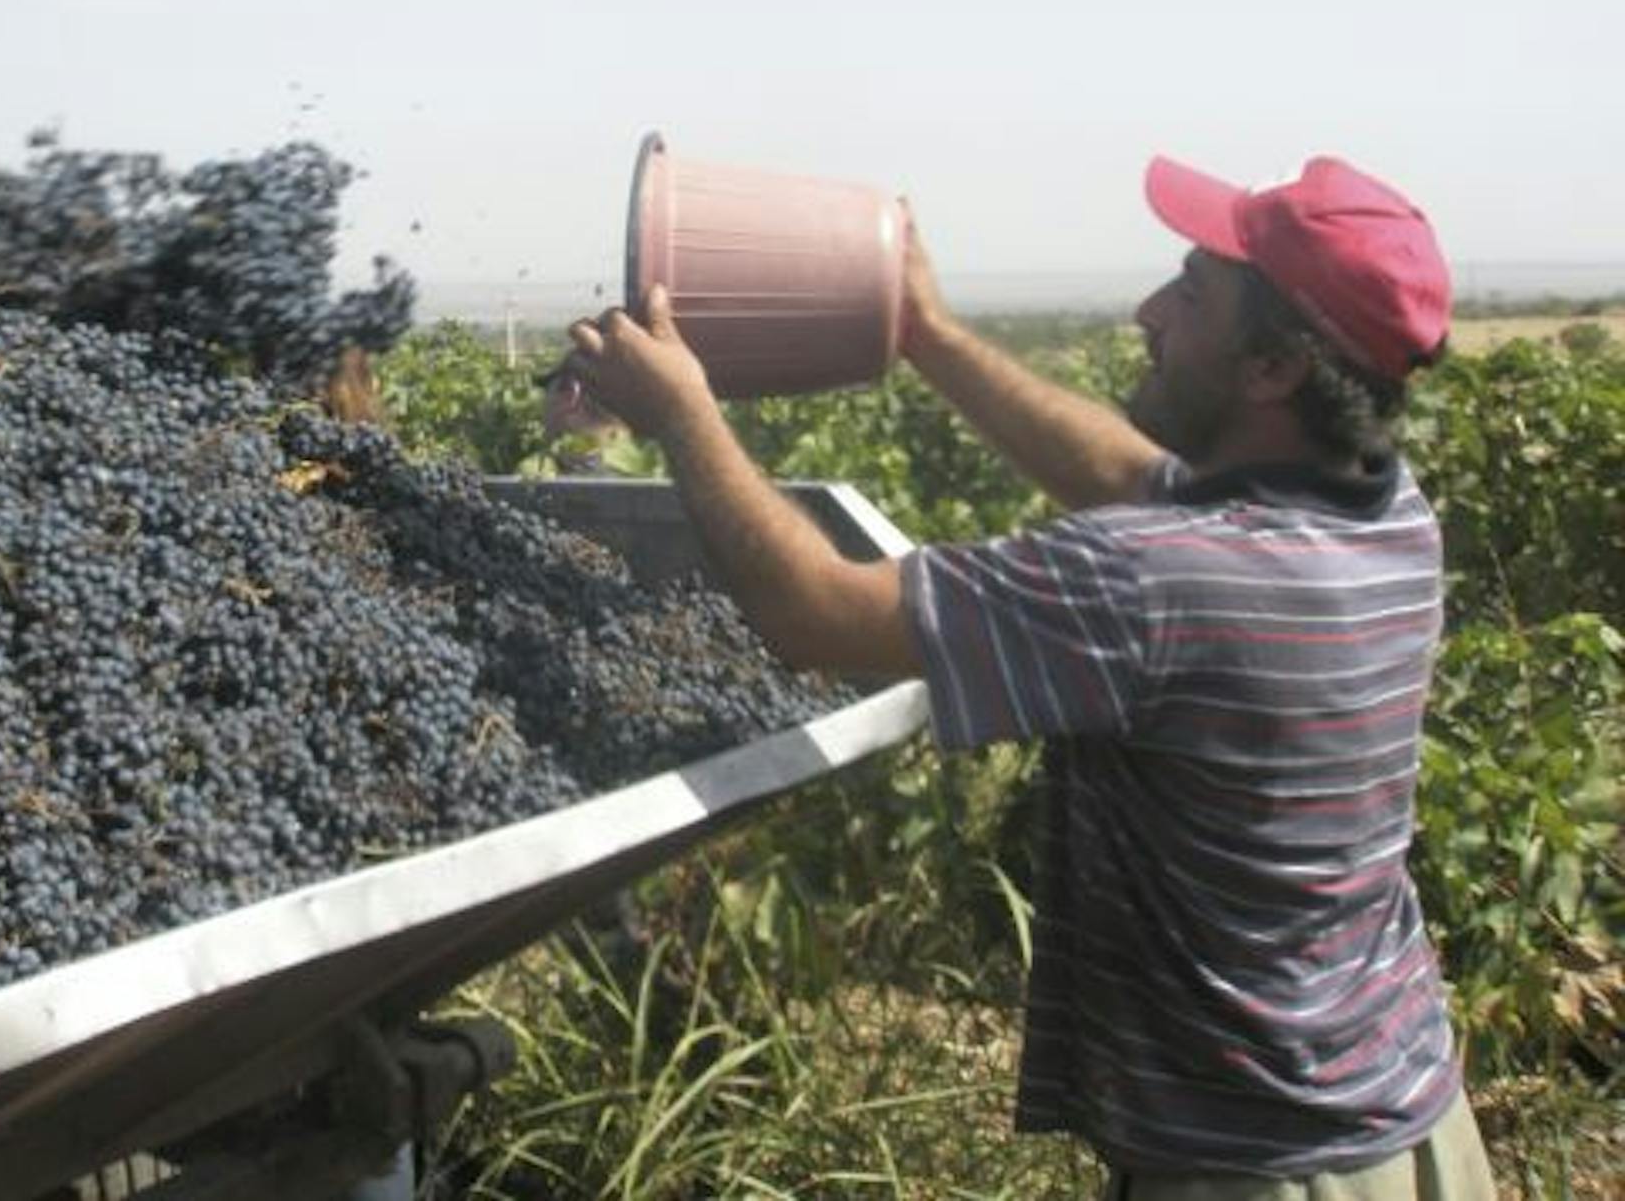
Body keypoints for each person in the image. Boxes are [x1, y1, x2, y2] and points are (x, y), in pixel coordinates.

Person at [563, 155, 1497, 1199]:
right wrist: (927, 332)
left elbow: (811, 613)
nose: (1148, 310)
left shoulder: (1156, 582)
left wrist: (682, 413)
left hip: (1256, 1168)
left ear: (1271, 370)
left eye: (1190, 294)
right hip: (1408, 1126)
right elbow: (1128, 476)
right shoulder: (1384, 516)